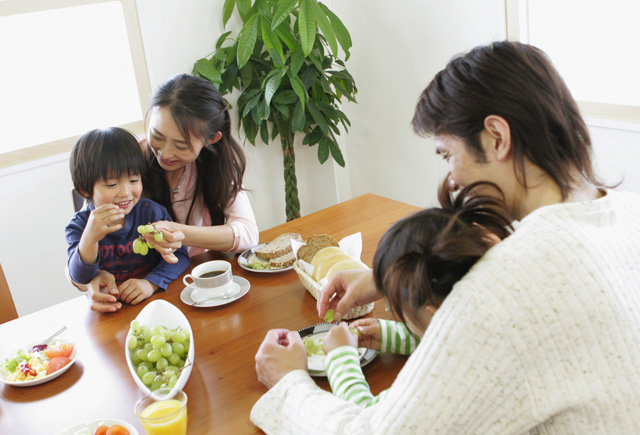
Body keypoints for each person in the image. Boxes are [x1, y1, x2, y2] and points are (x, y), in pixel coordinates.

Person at [251, 41, 640, 433]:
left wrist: (288, 384)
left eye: (446, 154)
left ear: (496, 137)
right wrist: (385, 277)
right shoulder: (628, 212)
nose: (451, 179)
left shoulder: (505, 290)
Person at [322, 181, 512, 408]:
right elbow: (443, 333)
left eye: (399, 311)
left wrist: (340, 358)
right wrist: (389, 334)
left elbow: (369, 419)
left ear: (432, 312)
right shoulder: (488, 320)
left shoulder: (445, 379)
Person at [65, 127, 190, 312]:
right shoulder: (79, 226)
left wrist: (151, 283)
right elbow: (80, 277)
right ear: (85, 189)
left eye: (133, 180)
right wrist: (90, 238)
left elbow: (179, 256)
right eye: (112, 184)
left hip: (155, 304)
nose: (125, 193)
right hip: (109, 311)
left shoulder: (151, 213)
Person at [139, 73, 259, 260]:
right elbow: (83, 235)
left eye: (181, 146)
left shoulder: (216, 163)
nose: (166, 153)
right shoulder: (128, 159)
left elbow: (248, 233)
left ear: (211, 139)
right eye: (157, 136)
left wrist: (180, 233)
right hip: (139, 282)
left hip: (194, 272)